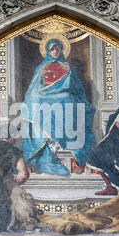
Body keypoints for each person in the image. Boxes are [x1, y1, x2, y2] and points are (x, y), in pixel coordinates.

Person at [21, 38, 96, 176]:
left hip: (63, 95)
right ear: (48, 51)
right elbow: (33, 90)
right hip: (46, 96)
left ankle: (65, 147)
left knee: (67, 99)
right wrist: (40, 77)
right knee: (36, 100)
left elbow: (77, 89)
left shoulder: (68, 66)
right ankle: (44, 147)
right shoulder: (41, 67)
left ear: (61, 50)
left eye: (57, 49)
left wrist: (70, 74)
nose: (55, 52)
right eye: (52, 49)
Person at [87, 75, 119, 195]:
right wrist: (118, 118)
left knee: (112, 159)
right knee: (94, 155)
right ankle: (110, 186)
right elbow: (115, 115)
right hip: (115, 138)